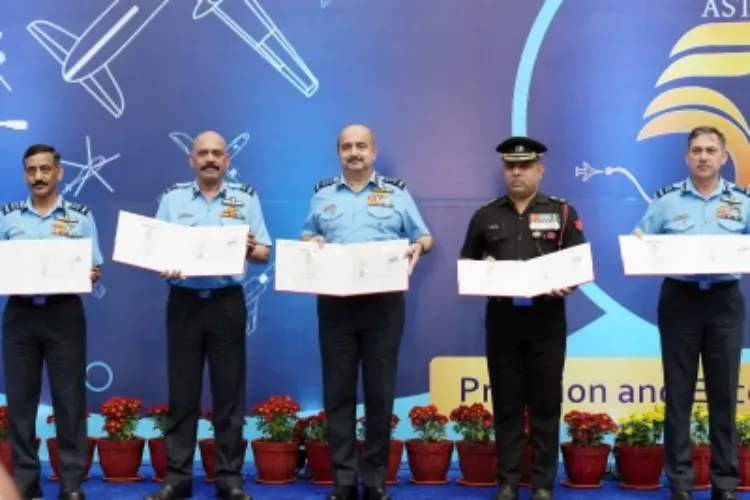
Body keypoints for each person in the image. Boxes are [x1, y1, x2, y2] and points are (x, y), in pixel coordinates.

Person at [302, 124, 433, 500]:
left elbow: (424, 235)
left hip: (384, 305)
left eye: (361, 146)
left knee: (380, 393)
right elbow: (307, 235)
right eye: (347, 147)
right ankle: (344, 480)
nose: (354, 152)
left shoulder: (396, 193)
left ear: (374, 152)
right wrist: (311, 242)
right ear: (339, 154)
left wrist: (418, 249)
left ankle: (374, 480)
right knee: (338, 392)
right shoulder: (321, 195)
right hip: (335, 305)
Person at [144, 131, 271, 500]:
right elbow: (154, 251)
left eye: (217, 153)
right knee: (182, 394)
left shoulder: (246, 198)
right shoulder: (171, 199)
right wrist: (162, 264)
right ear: (192, 160)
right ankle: (177, 478)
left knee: (229, 394)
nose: (210, 159)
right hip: (183, 304)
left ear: (227, 160)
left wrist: (250, 249)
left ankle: (229, 477)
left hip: (226, 302)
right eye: (203, 153)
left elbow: (264, 251)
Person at [459, 136, 586, 500]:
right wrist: (481, 271)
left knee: (546, 404)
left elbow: (577, 264)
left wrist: (568, 284)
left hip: (546, 319)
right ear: (503, 171)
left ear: (539, 170)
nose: (516, 172)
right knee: (507, 403)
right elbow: (467, 262)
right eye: (510, 166)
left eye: (524, 166)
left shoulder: (563, 212)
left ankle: (543, 483)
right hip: (502, 320)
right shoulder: (486, 214)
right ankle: (508, 482)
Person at [633, 126, 746, 500]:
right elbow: (640, 241)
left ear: (724, 157)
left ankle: (724, 483)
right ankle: (680, 483)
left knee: (724, 394)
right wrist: (639, 245)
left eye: (711, 150)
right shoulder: (666, 202)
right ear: (686, 157)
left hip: (724, 300)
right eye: (696, 150)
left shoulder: (743, 202)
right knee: (679, 395)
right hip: (680, 300)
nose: (703, 156)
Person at [0, 144, 103, 500]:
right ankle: (27, 480)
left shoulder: (81, 215)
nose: (39, 177)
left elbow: (95, 268)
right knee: (21, 402)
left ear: (59, 173)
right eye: (31, 170)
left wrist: (90, 273)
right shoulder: (7, 217)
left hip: (64, 314)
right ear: (25, 174)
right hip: (20, 316)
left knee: (70, 399)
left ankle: (71, 480)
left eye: (45, 169)